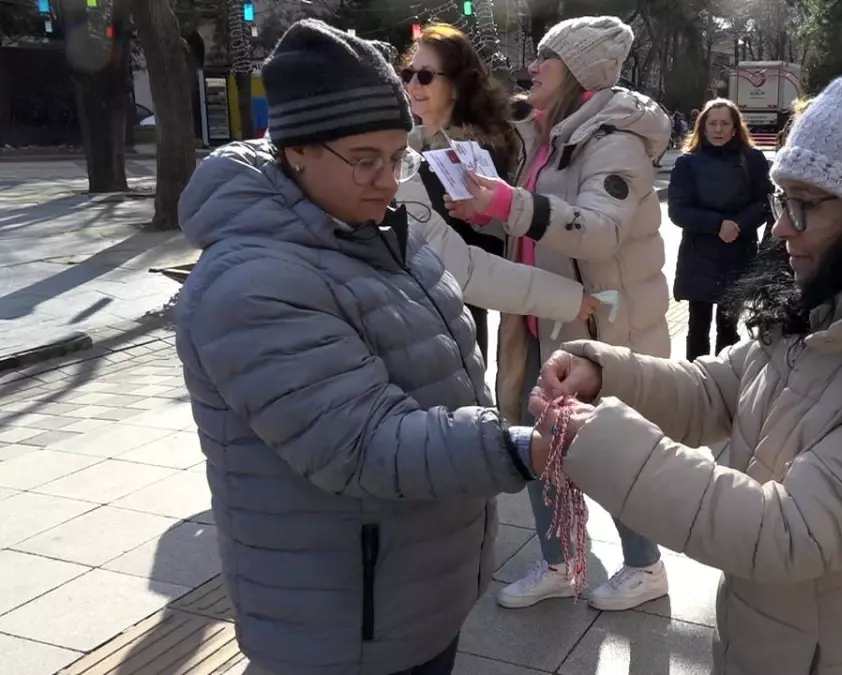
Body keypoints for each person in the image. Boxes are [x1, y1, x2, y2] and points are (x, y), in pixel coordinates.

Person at [530, 76, 842, 674]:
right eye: (781, 199)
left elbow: (789, 532)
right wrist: (605, 374)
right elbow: (719, 389)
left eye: (804, 203)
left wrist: (596, 440)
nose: (780, 227)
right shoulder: (834, 297)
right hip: (771, 642)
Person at [173, 20, 554, 675]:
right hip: (344, 626)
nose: (386, 180)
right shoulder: (252, 283)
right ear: (295, 151)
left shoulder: (380, 232)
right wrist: (522, 446)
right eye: (364, 158)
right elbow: (365, 441)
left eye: (396, 155)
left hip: (411, 596)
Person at [446, 15, 673, 612]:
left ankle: (646, 565)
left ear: (577, 70)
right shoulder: (549, 132)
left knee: (605, 452)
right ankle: (558, 562)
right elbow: (536, 219)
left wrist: (508, 202)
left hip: (597, 327)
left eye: (546, 58)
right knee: (539, 442)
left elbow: (597, 233)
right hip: (539, 316)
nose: (532, 68)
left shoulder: (615, 138)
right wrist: (489, 213)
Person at [400, 23, 517, 362]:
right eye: (408, 74)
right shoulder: (404, 143)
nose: (412, 86)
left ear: (455, 85)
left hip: (456, 310)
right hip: (406, 305)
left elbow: (496, 240)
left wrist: (479, 214)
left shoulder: (474, 151)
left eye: (425, 77)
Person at [669, 98, 770, 360]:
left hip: (738, 253)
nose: (718, 129)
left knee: (729, 327)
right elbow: (678, 211)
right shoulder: (687, 163)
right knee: (697, 327)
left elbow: (764, 202)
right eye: (712, 123)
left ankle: (725, 384)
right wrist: (717, 225)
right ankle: (694, 385)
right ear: (702, 127)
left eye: (724, 123)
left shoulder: (753, 159)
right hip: (698, 255)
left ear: (735, 128)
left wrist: (738, 224)